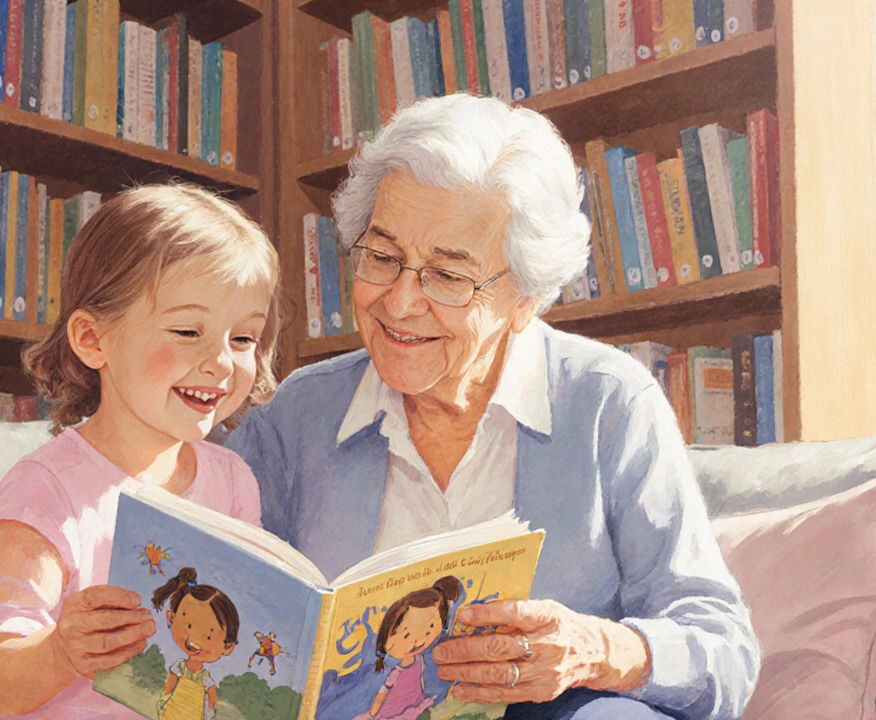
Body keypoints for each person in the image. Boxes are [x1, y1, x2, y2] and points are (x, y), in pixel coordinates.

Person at [226, 94, 759, 720]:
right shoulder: (297, 415)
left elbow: (723, 648)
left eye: (448, 276)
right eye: (382, 256)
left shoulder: (608, 403)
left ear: (525, 299)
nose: (399, 304)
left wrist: (596, 649)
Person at [0, 184, 280, 719]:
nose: (221, 362)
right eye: (187, 330)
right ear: (92, 339)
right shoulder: (49, 488)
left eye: (243, 339)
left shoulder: (233, 481)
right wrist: (61, 651)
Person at [358, 576, 461, 720]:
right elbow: (383, 692)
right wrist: (374, 713)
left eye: (430, 627)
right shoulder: (396, 672)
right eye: (406, 635)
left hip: (415, 704)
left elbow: (420, 679)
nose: (417, 640)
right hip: (394, 712)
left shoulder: (419, 659)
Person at [151, 568, 240, 720]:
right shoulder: (180, 668)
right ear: (171, 616)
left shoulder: (205, 678)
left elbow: (211, 699)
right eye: (189, 626)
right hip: (173, 712)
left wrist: (210, 715)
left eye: (208, 636)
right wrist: (163, 701)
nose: (194, 641)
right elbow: (169, 686)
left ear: (228, 646)